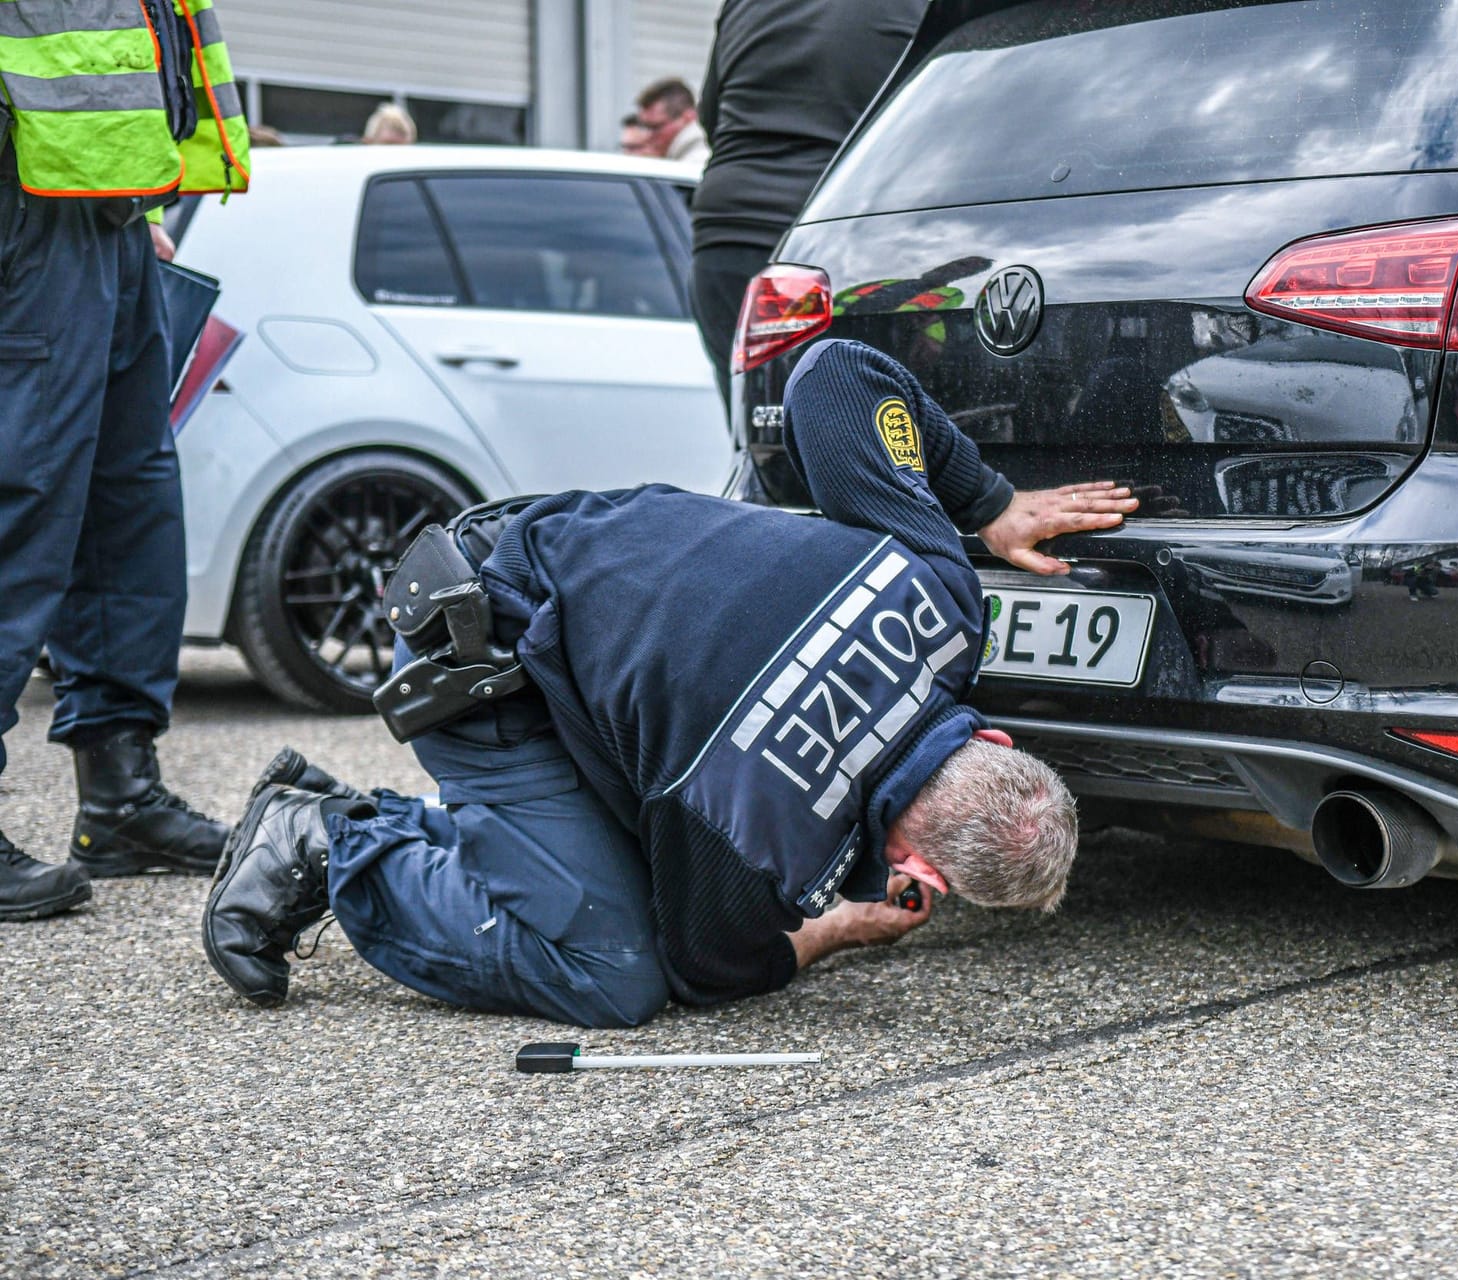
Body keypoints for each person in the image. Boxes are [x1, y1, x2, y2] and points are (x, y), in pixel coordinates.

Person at [203, 340, 1137, 1024]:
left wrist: (988, 504)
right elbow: (705, 971)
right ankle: (327, 842)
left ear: (999, 742)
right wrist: (840, 926)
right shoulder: (765, 842)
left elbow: (839, 374)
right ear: (923, 871)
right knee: (613, 971)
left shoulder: (944, 600)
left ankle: (433, 836)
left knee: (638, 852)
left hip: (536, 553)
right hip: (481, 663)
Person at [0, 0, 249, 922]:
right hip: (22, 208)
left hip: (102, 209)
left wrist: (132, 195)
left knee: (129, 505)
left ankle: (119, 798)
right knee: (19, 500)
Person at [690, 0, 923, 404]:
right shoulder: (917, 8)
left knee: (755, 426)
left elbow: (710, 117)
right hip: (829, 235)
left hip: (725, 231)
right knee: (844, 425)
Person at [632, 78, 710, 166]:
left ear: (688, 117)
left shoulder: (696, 160)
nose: (647, 136)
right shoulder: (686, 155)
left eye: (655, 127)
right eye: (644, 127)